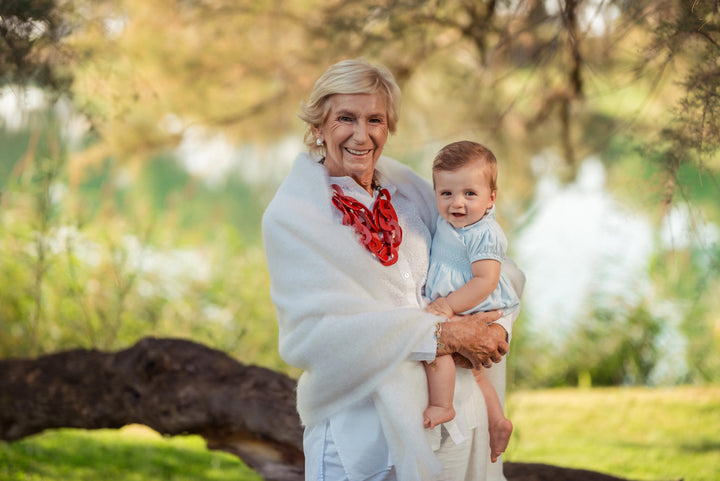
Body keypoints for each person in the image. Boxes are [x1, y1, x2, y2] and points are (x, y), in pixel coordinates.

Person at [262, 58, 524, 481]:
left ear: (389, 128)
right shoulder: (293, 217)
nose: (361, 134)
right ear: (318, 126)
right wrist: (440, 335)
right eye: (345, 118)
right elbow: (313, 337)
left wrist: (498, 329)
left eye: (375, 119)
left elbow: (495, 268)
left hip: (454, 421)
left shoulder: (409, 194)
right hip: (363, 437)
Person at [422, 141, 520, 464]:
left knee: (439, 348)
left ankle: (442, 405)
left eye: (469, 194)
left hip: (476, 304)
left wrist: (449, 306)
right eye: (446, 194)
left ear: (492, 197)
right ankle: (498, 421)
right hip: (463, 302)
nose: (457, 203)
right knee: (477, 376)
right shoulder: (447, 223)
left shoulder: (484, 233)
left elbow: (485, 280)